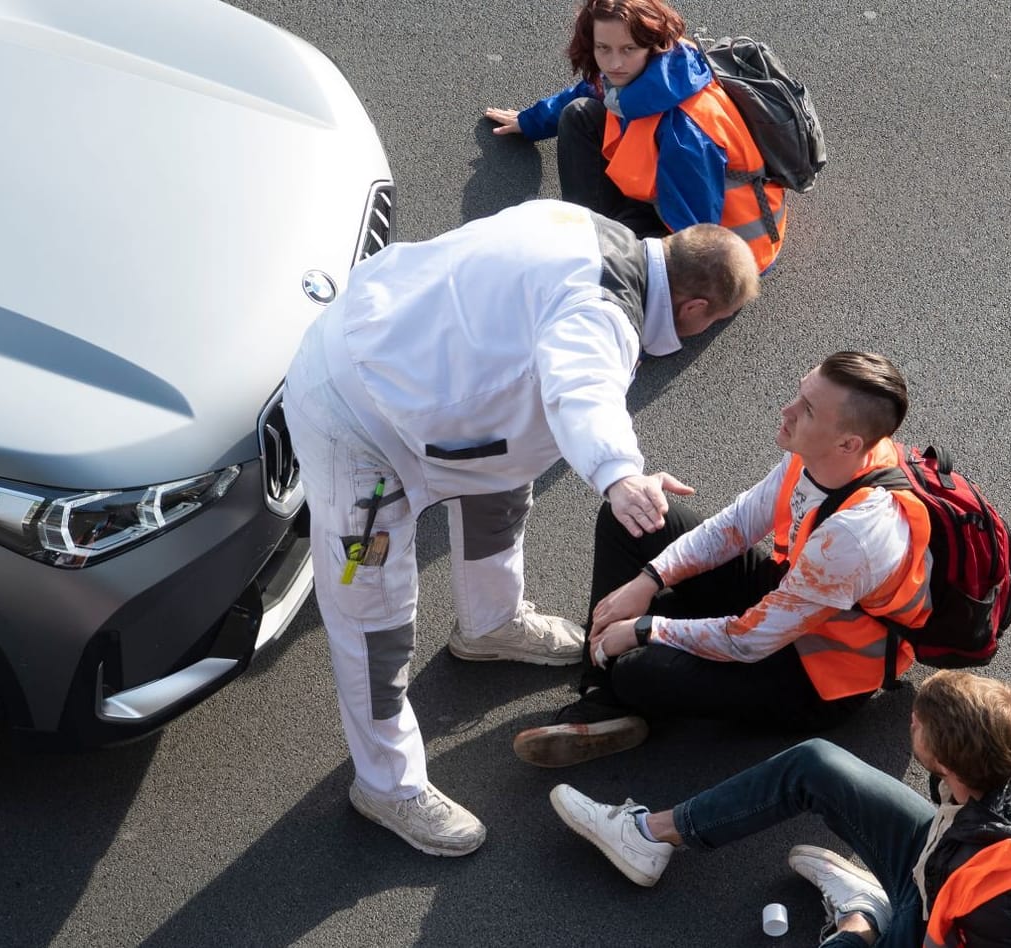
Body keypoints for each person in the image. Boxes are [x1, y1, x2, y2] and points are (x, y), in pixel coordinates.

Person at [284, 199, 759, 857]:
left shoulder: (579, 222)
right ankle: (385, 787)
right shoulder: (603, 315)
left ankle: (489, 625)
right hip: (359, 434)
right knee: (371, 621)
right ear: (696, 311)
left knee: (501, 499)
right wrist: (621, 475)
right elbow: (581, 387)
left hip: (404, 376)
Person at [512, 351, 930, 768]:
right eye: (799, 394)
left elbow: (749, 640)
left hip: (818, 671)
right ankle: (602, 695)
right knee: (634, 516)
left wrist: (645, 629)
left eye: (806, 410)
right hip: (786, 598)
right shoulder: (823, 454)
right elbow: (735, 526)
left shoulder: (854, 537)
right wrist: (650, 579)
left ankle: (617, 678)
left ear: (847, 443)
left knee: (640, 669)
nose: (786, 410)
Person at [547, 671, 1011, 947]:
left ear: (946, 764)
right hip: (947, 865)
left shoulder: (995, 903)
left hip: (948, 914)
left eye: (918, 726)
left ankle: (862, 918)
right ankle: (651, 836)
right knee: (815, 764)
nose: (909, 719)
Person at [483, 0, 788, 274]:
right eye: (603, 48)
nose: (614, 63)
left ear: (651, 45)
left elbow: (697, 238)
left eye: (628, 49)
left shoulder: (685, 131)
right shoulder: (647, 70)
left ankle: (592, 250)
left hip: (727, 248)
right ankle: (591, 239)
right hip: (668, 199)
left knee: (597, 265)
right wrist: (529, 121)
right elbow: (594, 90)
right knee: (578, 114)